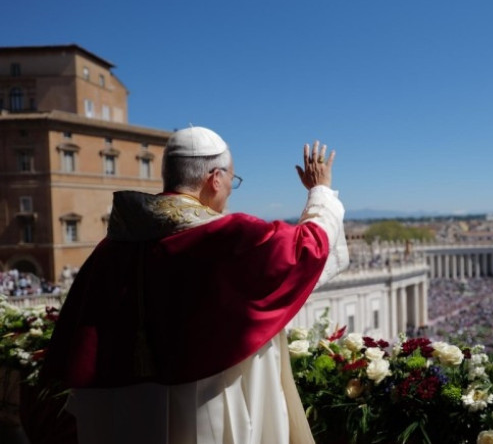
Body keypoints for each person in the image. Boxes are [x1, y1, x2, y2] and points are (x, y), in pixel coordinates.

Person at [43, 126, 348, 444]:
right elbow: (308, 248)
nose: (231, 189)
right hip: (204, 403)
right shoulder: (227, 236)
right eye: (233, 179)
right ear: (215, 178)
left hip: (121, 408)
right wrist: (321, 190)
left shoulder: (112, 247)